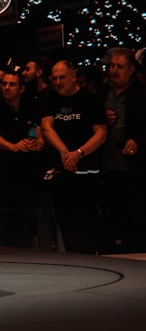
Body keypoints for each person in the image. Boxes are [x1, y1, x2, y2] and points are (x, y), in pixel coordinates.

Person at [40, 60, 108, 253]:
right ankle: (73, 256)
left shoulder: (90, 99)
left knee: (87, 218)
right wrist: (64, 152)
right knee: (64, 219)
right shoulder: (51, 99)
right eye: (54, 78)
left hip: (86, 168)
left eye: (62, 78)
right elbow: (46, 127)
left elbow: (101, 134)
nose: (58, 82)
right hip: (61, 168)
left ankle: (92, 255)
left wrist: (78, 153)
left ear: (73, 77)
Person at [0, 71, 44, 247]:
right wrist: (13, 146)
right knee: (1, 221)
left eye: (12, 84)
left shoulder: (31, 106)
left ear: (22, 88)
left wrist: (38, 143)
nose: (6, 87)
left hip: (27, 173)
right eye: (4, 84)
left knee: (26, 220)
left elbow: (39, 130)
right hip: (2, 172)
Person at [98, 47, 146, 252]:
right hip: (107, 163)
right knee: (109, 213)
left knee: (134, 213)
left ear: (131, 70)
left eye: (119, 66)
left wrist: (138, 141)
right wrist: (102, 118)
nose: (113, 70)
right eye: (111, 66)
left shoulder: (142, 93)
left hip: (134, 166)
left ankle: (135, 253)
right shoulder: (101, 92)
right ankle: (110, 255)